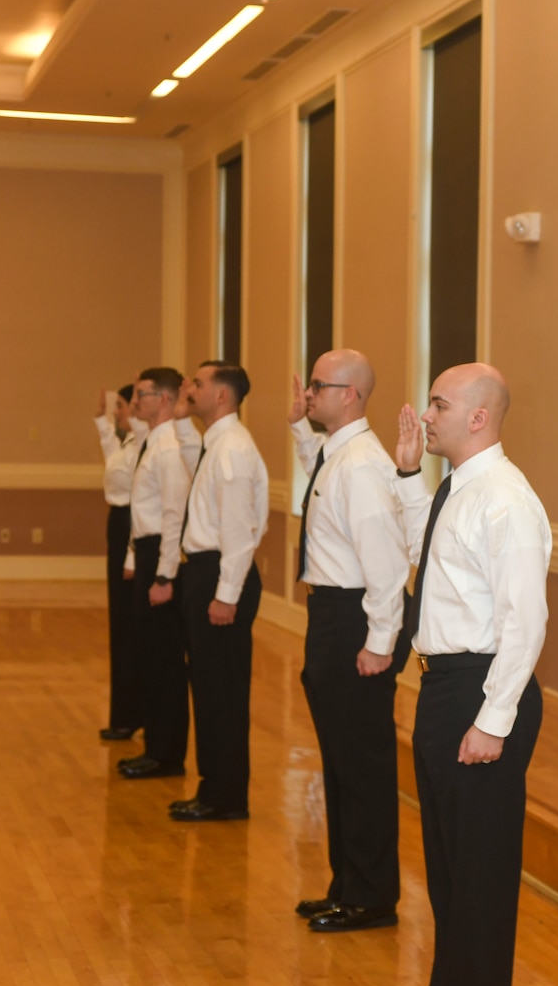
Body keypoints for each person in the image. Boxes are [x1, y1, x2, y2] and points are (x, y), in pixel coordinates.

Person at [387, 363, 550, 986]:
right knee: (451, 876)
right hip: (446, 689)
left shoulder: (506, 499)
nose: (426, 415)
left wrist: (492, 720)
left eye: (439, 404)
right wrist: (404, 478)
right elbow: (433, 550)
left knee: (478, 883)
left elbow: (526, 621)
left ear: (479, 416)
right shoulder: (460, 487)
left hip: (480, 692)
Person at [287, 350, 408, 932]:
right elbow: (314, 491)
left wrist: (380, 640)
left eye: (318, 386)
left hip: (355, 618)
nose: (309, 394)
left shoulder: (361, 464)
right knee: (338, 760)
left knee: (361, 763)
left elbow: (386, 564)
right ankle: (347, 882)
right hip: (334, 615)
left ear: (350, 395)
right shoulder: (339, 456)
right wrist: (295, 429)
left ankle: (372, 895)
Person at [172, 361, 267, 821]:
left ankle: (224, 796)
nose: (190, 388)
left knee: (221, 694)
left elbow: (239, 530)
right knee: (208, 689)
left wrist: (226, 594)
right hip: (207, 574)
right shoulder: (217, 442)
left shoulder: (231, 451)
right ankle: (214, 788)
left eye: (199, 383)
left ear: (223, 396)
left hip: (220, 575)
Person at [118, 367, 192, 780]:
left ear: (163, 400)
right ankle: (156, 748)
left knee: (163, 661)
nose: (135, 402)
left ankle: (166, 754)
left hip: (160, 558)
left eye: (142, 394)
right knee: (149, 655)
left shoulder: (167, 449)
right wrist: (136, 561)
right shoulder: (152, 442)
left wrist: (163, 577)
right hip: (147, 554)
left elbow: (173, 516)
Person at [96, 384, 145, 741]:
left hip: (132, 528)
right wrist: (102, 418)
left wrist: (131, 554)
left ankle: (131, 715)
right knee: (121, 623)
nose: (118, 413)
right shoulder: (127, 444)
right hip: (118, 524)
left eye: (122, 406)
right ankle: (124, 714)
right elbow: (112, 456)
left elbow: (141, 500)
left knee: (131, 627)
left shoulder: (145, 443)